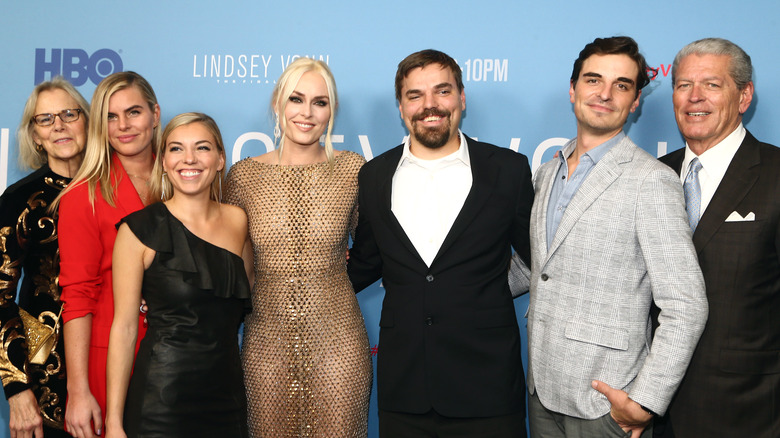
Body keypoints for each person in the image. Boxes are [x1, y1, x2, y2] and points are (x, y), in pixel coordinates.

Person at [510, 36, 708, 438]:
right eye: (593, 80)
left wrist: (644, 401)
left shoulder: (650, 180)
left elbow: (686, 304)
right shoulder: (549, 172)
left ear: (635, 101)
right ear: (573, 89)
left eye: (621, 85)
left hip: (606, 403)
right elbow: (536, 265)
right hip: (542, 390)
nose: (604, 93)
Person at [347, 49, 534, 438]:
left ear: (461, 99)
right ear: (401, 106)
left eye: (442, 91)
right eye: (415, 95)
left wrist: (489, 290)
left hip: (489, 388)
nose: (429, 105)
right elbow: (365, 263)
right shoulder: (373, 175)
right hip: (405, 390)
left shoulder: (508, 170)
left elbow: (540, 260)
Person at [224, 58, 372, 437]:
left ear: (331, 110)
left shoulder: (353, 171)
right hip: (265, 343)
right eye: (296, 99)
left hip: (339, 342)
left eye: (319, 102)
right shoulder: (243, 176)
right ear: (278, 103)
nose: (307, 113)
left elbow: (377, 250)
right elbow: (231, 264)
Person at [654, 37, 780, 438]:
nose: (694, 98)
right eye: (683, 84)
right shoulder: (650, 177)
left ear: (744, 97)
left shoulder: (777, 174)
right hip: (653, 413)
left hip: (750, 412)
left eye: (711, 84)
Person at [104, 112, 251, 438]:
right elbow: (125, 328)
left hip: (226, 400)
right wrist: (114, 423)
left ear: (219, 159)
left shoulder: (238, 222)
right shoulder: (138, 230)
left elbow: (250, 292)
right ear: (165, 163)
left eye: (202, 148)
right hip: (160, 401)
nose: (189, 159)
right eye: (176, 149)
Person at [57, 71, 160, 438]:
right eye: (111, 117)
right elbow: (77, 297)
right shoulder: (82, 196)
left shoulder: (184, 178)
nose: (123, 126)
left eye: (133, 112)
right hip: (111, 361)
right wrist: (78, 389)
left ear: (155, 114)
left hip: (179, 354)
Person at [0, 78, 89, 438]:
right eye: (45, 119)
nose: (59, 126)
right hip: (43, 370)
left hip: (115, 359)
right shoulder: (18, 199)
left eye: (69, 113)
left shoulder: (118, 187)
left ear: (88, 121)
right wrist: (16, 388)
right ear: (35, 135)